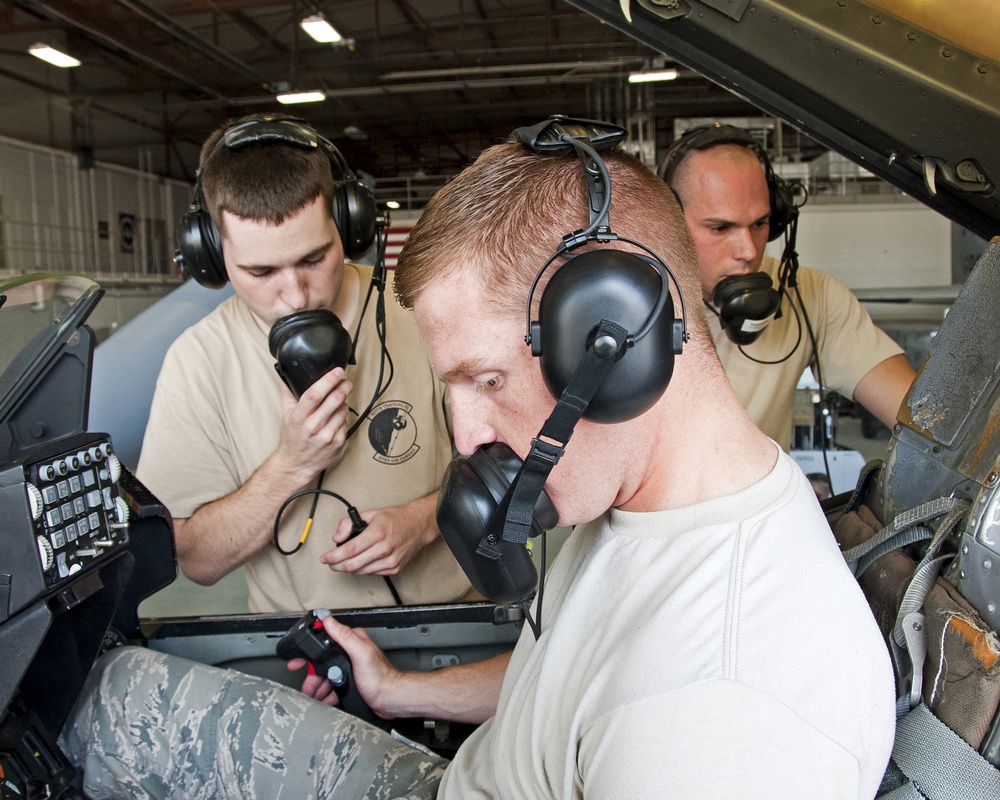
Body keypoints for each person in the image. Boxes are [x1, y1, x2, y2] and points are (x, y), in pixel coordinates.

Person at [61, 119, 895, 798]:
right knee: (100, 699)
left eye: (486, 378)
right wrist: (396, 689)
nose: (463, 441)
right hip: (463, 769)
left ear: (614, 339)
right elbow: (560, 692)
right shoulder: (633, 509)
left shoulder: (721, 718)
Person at [135, 113, 473, 612]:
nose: (295, 295)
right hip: (304, 650)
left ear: (348, 224)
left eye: (314, 259)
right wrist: (292, 465)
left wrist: (423, 522)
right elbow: (198, 562)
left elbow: (519, 468)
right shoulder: (198, 360)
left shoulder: (423, 310)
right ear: (210, 254)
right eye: (260, 271)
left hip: (455, 624)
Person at [659, 123, 917, 449]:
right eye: (721, 228)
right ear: (669, 220)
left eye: (760, 224)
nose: (749, 251)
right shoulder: (624, 300)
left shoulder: (810, 295)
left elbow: (923, 424)